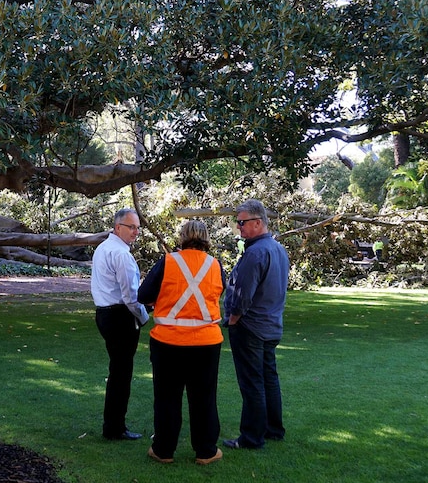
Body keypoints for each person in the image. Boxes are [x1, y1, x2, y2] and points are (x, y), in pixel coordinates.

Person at [138, 220, 226, 465]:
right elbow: (219, 293)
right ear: (206, 238)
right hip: (207, 342)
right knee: (204, 397)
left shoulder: (168, 262)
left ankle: (163, 450)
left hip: (168, 341)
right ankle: (206, 451)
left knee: (167, 397)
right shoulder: (215, 265)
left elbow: (143, 295)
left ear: (182, 237)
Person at [223, 199, 290, 450]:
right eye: (238, 222)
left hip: (251, 327)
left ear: (258, 223)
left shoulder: (255, 252)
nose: (238, 227)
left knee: (252, 382)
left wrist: (232, 320)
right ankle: (273, 429)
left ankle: (251, 437)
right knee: (269, 379)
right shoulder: (278, 249)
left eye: (242, 222)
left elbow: (242, 295)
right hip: (271, 324)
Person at [91, 208, 150, 441]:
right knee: (121, 374)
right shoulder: (121, 254)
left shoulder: (103, 248)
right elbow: (131, 297)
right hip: (119, 316)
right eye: (131, 227)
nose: (136, 231)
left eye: (137, 227)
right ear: (117, 227)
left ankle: (113, 425)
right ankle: (115, 428)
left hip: (105, 314)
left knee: (118, 371)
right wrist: (144, 317)